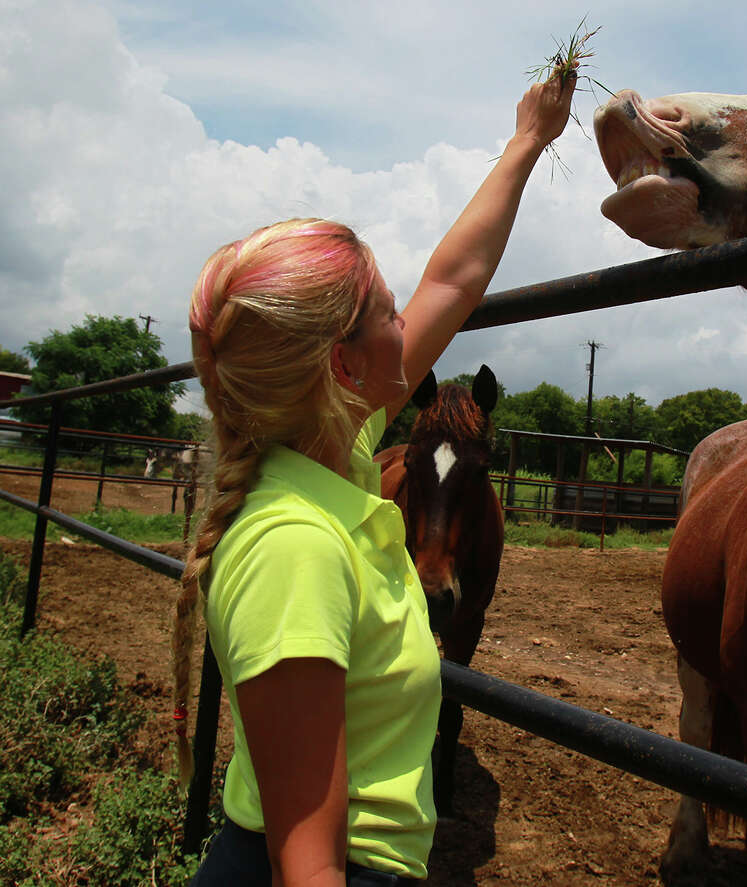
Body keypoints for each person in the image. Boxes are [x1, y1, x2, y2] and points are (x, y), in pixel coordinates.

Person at [174, 71, 576, 885]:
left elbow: (453, 281)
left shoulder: (335, 452)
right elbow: (310, 865)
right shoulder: (295, 547)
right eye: (390, 313)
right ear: (343, 366)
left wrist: (529, 140)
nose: (408, 322)